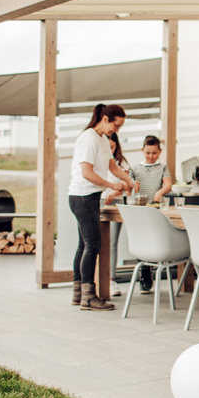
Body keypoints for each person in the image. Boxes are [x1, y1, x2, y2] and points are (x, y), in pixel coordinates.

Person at [68, 104, 134, 311]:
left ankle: (79, 294)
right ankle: (89, 297)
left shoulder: (103, 139)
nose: (118, 130)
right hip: (82, 197)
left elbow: (112, 166)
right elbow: (87, 172)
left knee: (84, 245)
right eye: (117, 125)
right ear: (105, 119)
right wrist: (112, 185)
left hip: (89, 197)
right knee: (93, 244)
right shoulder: (88, 138)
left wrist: (129, 180)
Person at [129, 135, 173, 293]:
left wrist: (160, 192)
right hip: (139, 210)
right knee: (141, 240)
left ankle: (148, 268)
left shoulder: (162, 168)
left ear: (160, 152)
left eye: (154, 153)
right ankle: (144, 270)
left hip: (155, 210)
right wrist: (131, 185)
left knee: (153, 238)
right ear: (142, 150)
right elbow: (128, 186)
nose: (151, 156)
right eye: (148, 153)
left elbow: (168, 184)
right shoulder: (134, 169)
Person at [102, 133, 131, 297]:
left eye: (111, 147)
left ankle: (111, 279)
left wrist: (113, 192)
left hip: (116, 205)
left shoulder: (121, 162)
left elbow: (127, 185)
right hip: (99, 203)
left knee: (111, 243)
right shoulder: (97, 161)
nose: (109, 150)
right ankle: (96, 279)